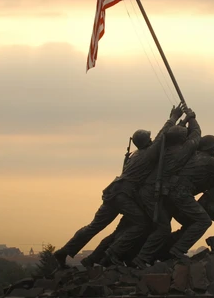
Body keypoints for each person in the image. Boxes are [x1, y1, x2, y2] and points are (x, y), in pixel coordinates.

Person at [53, 104, 184, 268]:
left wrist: (179, 124)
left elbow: (162, 139)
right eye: (149, 139)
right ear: (145, 142)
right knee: (141, 224)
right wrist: (173, 117)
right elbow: (161, 137)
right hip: (124, 194)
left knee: (94, 226)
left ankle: (64, 251)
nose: (152, 140)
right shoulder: (148, 153)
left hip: (113, 191)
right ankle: (112, 253)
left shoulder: (134, 156)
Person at [130, 108, 201, 269]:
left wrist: (180, 120)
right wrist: (192, 119)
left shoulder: (162, 148)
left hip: (148, 191)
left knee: (158, 225)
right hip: (150, 192)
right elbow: (196, 136)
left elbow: (167, 134)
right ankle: (141, 258)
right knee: (162, 228)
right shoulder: (180, 152)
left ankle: (149, 255)